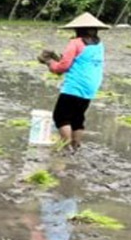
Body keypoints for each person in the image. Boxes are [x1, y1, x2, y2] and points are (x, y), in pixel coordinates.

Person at [37, 12, 108, 152]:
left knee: (61, 116)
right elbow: (79, 62)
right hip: (91, 86)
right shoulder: (99, 45)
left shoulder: (75, 43)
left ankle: (66, 145)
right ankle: (76, 145)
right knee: (77, 117)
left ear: (78, 29)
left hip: (75, 85)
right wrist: (58, 59)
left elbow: (62, 67)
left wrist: (48, 61)